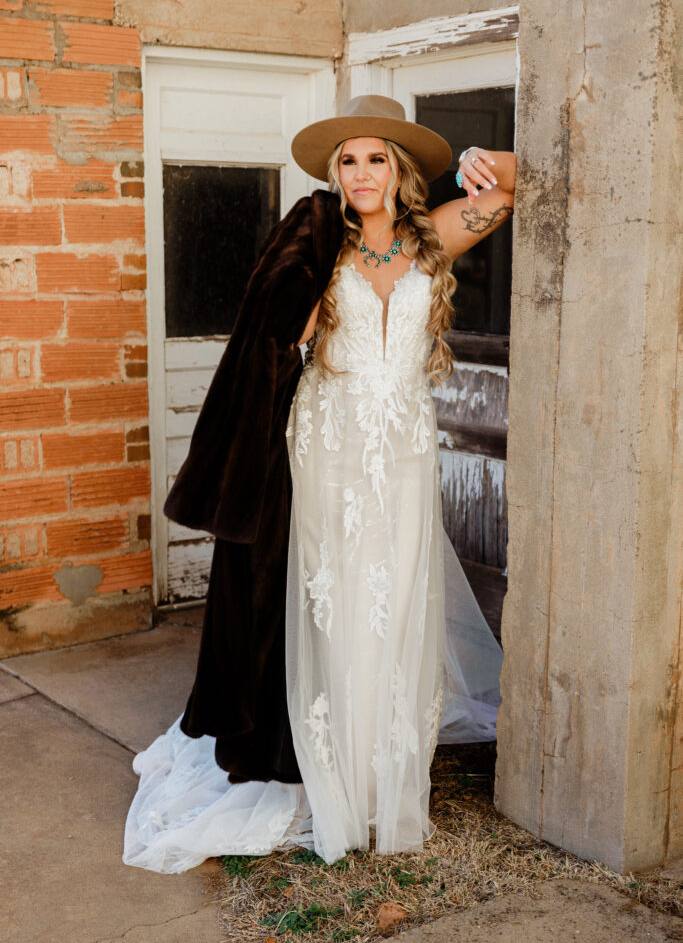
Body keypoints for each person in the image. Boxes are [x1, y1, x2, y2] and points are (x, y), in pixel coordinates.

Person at [123, 95, 516, 874]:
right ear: (334, 174)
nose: (361, 172)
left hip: (400, 451)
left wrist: (488, 162)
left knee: (393, 596)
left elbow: (509, 191)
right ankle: (317, 766)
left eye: (376, 158)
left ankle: (377, 773)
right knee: (328, 601)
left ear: (399, 170)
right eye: (348, 159)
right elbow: (275, 344)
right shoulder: (314, 247)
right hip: (325, 446)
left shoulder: (430, 239)